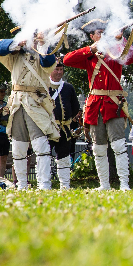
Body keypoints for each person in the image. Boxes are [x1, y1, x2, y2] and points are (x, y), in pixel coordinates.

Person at [63, 19, 133, 191]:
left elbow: (132, 57)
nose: (103, 36)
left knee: (119, 146)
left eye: (105, 33)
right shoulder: (89, 55)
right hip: (96, 105)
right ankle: (104, 185)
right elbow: (67, 60)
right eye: (99, 33)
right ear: (92, 36)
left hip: (114, 104)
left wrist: (120, 39)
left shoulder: (116, 52)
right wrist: (91, 49)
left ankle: (124, 184)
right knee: (98, 148)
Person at [0, 31, 60, 190]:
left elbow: (49, 63)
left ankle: (44, 184)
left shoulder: (44, 53)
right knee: (18, 148)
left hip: (36, 104)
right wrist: (18, 42)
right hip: (17, 103)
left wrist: (42, 44)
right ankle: (21, 184)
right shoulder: (13, 55)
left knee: (41, 146)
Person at [48, 59, 81, 190]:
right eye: (57, 69)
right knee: (44, 155)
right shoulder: (44, 85)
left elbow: (75, 107)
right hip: (48, 128)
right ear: (51, 70)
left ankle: (65, 185)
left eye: (61, 69)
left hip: (64, 128)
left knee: (64, 157)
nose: (59, 72)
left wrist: (68, 120)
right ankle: (44, 184)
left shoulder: (68, 87)